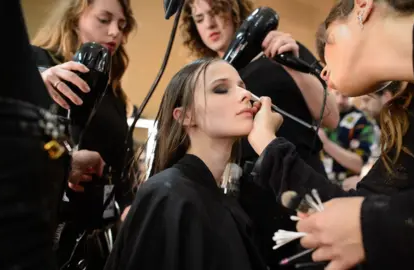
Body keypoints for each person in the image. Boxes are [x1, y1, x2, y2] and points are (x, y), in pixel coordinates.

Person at [289, 0, 414, 269]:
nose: (324, 71)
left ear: (363, 5)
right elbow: (365, 203)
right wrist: (269, 146)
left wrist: (378, 225)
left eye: (328, 42)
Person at [180, 0, 339, 268]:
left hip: (297, 186)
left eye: (216, 12)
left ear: (234, 11)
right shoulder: (201, 78)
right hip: (243, 206)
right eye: (199, 18)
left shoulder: (280, 53)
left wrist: (291, 64)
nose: (209, 23)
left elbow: (331, 117)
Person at [104, 58, 276, 270]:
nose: (245, 95)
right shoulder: (167, 194)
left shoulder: (228, 201)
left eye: (243, 87)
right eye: (221, 89)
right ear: (186, 115)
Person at [31, 0, 137, 268]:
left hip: (94, 238)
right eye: (104, 20)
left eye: (122, 26)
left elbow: (117, 164)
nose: (115, 32)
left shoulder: (112, 94)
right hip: (40, 229)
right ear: (74, 16)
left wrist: (128, 206)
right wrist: (35, 83)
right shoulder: (37, 65)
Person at [320, 90, 375, 183]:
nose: (340, 100)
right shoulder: (320, 114)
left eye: (345, 95)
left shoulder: (363, 122)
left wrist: (326, 144)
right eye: (337, 94)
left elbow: (358, 165)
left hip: (344, 185)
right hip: (318, 181)